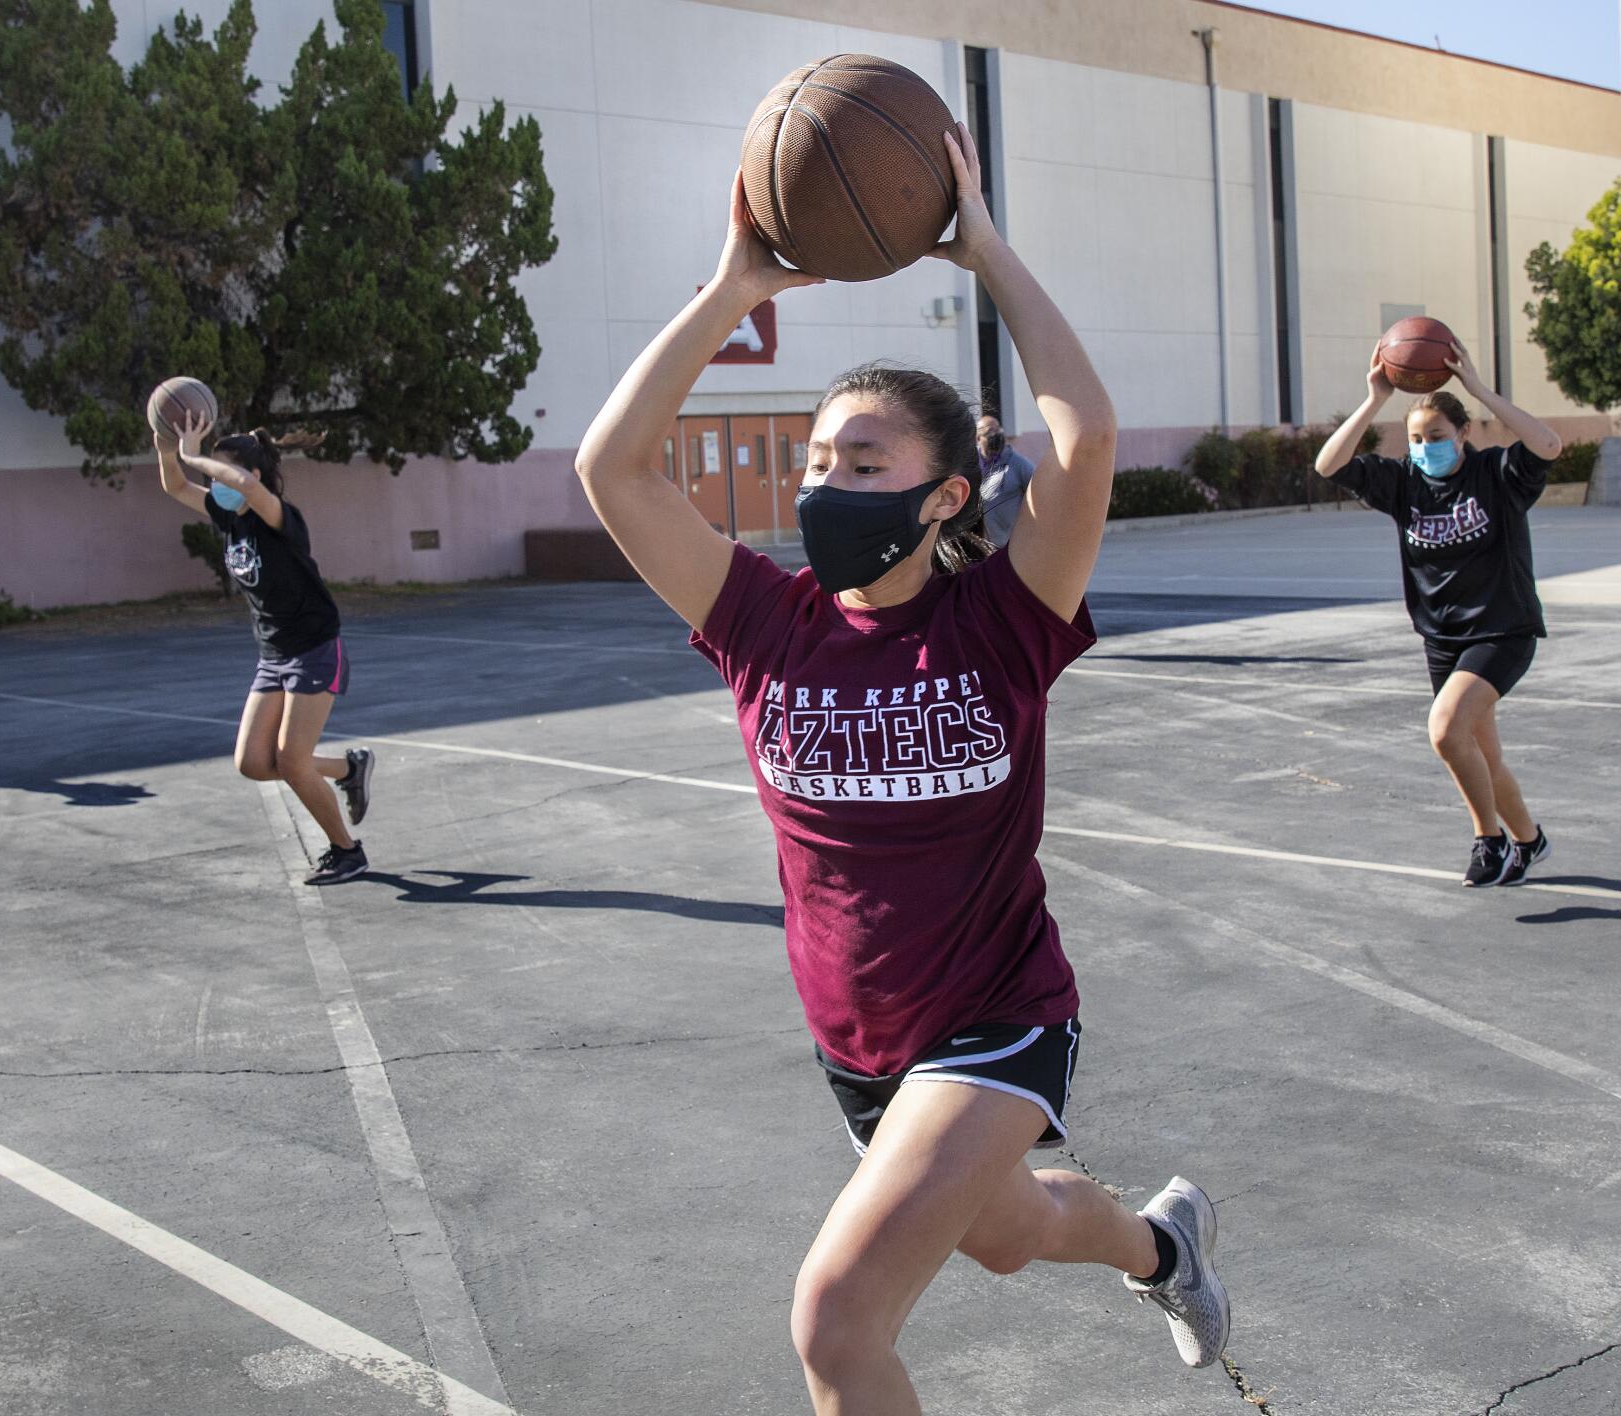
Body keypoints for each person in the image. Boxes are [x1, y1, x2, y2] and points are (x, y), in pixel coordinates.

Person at [575, 124, 1228, 1414]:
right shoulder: (764, 623)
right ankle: (1164, 1248)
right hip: (858, 1043)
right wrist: (736, 286)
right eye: (815, 462)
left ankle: (1152, 1243)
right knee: (1010, 1235)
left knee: (835, 1322)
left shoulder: (999, 619)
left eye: (862, 463)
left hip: (996, 1019)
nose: (824, 484)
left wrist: (982, 248)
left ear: (942, 498)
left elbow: (1083, 435)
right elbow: (613, 469)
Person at [1314, 339, 1560, 887]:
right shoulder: (1404, 483)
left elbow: (1548, 444)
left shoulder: (1496, 474)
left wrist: (1479, 390)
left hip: (1503, 628)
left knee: (1447, 731)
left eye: (1438, 437)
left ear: (1464, 434)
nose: (1426, 448)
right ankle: (1529, 839)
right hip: (1443, 637)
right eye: (1417, 440)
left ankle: (1487, 838)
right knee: (1484, 758)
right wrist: (1374, 399)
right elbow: (1329, 464)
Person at [150, 408, 373, 886]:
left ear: (251, 474)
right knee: (253, 762)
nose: (218, 483)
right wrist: (167, 446)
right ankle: (348, 769)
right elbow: (175, 487)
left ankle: (347, 851)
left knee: (291, 761)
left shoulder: (278, 516)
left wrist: (195, 456)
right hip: (273, 655)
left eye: (224, 471)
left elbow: (248, 489)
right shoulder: (229, 518)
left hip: (315, 647)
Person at [974, 413, 1035, 548]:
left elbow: (1037, 493)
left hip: (1010, 545)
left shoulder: (1018, 463)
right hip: (979, 545)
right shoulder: (970, 464)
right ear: (978, 438)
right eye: (990, 431)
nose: (995, 435)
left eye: (998, 430)